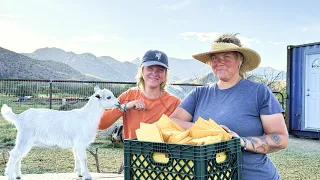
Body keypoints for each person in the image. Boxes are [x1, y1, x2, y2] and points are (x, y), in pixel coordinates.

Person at [169, 34, 288, 180]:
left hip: (253, 175)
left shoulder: (259, 92)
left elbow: (281, 138)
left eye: (227, 57)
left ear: (240, 60)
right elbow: (173, 122)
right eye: (214, 58)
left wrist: (241, 142)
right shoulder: (199, 93)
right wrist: (210, 130)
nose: (219, 62)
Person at [98, 49, 181, 139]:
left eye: (160, 70)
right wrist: (125, 107)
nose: (154, 73)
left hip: (162, 153)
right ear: (142, 70)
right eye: (150, 68)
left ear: (165, 74)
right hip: (133, 153)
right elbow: (101, 124)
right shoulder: (128, 96)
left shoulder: (174, 103)